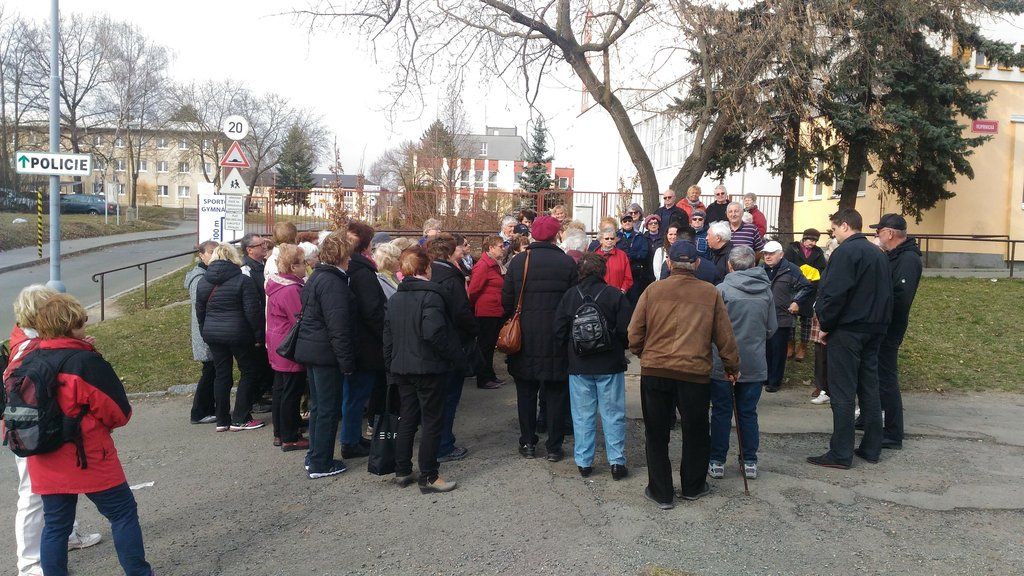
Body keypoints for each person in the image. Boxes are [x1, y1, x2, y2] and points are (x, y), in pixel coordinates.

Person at [25, 293, 152, 576]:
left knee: (56, 525)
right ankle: (139, 573)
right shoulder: (85, 363)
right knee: (122, 513)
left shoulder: (29, 360)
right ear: (69, 326)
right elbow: (119, 413)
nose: (85, 327)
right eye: (81, 323)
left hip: (43, 454)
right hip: (88, 454)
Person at [628, 240, 740, 510]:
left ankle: (661, 491)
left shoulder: (653, 290)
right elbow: (724, 335)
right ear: (697, 264)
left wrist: (644, 353)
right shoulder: (710, 293)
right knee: (696, 431)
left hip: (656, 370)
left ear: (669, 263)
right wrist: (731, 366)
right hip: (694, 373)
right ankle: (693, 486)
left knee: (656, 432)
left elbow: (634, 333)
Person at [7, 286, 102, 576]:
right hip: (32, 429)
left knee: (62, 485)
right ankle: (29, 563)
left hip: (50, 425)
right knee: (33, 494)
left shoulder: (37, 339)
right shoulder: (28, 346)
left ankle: (67, 536)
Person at [807, 209, 893, 469]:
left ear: (845, 226)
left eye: (833, 229)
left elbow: (834, 293)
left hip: (849, 329)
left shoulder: (846, 252)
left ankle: (841, 452)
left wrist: (825, 324)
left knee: (842, 391)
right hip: (874, 327)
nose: (832, 233)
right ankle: (871, 447)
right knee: (869, 387)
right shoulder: (877, 253)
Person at [384, 246, 464, 493]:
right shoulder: (432, 296)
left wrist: (390, 364)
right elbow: (435, 333)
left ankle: (402, 469)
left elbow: (387, 336)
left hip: (403, 366)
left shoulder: (396, 298)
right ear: (426, 268)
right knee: (431, 421)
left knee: (408, 417)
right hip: (427, 367)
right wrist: (454, 358)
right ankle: (429, 475)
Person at [503, 215, 578, 461]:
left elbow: (507, 301)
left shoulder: (518, 262)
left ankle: (528, 442)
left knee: (525, 393)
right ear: (557, 235)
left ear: (533, 234)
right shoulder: (567, 263)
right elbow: (573, 303)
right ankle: (554, 447)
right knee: (556, 393)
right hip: (557, 338)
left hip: (525, 337)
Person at [553, 253, 633, 480]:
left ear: (580, 272)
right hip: (609, 363)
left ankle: (584, 462)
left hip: (579, 365)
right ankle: (616, 462)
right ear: (603, 272)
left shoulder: (570, 296)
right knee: (613, 413)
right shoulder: (614, 295)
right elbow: (626, 330)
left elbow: (558, 330)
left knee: (582, 414)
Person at [708, 246, 776, 480]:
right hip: (754, 362)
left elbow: (711, 328)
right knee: (748, 412)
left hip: (723, 361)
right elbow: (771, 328)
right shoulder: (766, 290)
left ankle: (717, 460)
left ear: (729, 265)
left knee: (721, 412)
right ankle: (749, 460)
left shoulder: (721, 290)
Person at [293, 232, 357, 479]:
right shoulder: (333, 283)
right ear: (342, 255)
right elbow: (338, 326)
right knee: (328, 408)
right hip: (325, 353)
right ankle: (321, 462)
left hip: (313, 348)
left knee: (319, 406)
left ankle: (315, 455)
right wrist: (347, 362)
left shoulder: (318, 276)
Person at [195, 243, 266, 432]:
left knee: (222, 375)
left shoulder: (204, 281)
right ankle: (240, 417)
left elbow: (200, 311)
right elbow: (253, 311)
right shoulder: (243, 280)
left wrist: (205, 331)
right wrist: (259, 335)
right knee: (248, 371)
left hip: (213, 334)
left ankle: (222, 419)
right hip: (239, 333)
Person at [869, 213, 923, 450]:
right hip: (882, 324)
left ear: (889, 233)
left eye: (879, 231)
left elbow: (900, 298)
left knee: (887, 377)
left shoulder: (908, 259)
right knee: (877, 375)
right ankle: (870, 419)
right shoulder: (895, 255)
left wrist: (880, 317)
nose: (876, 236)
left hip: (889, 327)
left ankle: (892, 432)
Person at [427, 233, 479, 463]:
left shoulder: (429, 272)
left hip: (433, 343)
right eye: (458, 249)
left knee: (435, 398)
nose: (462, 252)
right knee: (448, 397)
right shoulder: (451, 277)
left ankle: (437, 441)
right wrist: (475, 329)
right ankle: (444, 444)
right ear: (449, 253)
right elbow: (461, 311)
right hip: (453, 342)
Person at [340, 221, 387, 460]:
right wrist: (385, 335)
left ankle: (352, 438)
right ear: (368, 245)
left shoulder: (348, 268)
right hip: (365, 343)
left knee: (354, 395)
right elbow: (372, 310)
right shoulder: (362, 272)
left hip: (354, 340)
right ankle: (349, 441)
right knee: (357, 394)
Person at [265, 244, 309, 451]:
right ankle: (290, 436)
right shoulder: (291, 290)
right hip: (288, 346)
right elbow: (300, 319)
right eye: (303, 264)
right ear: (293, 267)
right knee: (291, 391)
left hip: (277, 343)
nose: (306, 267)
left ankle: (280, 432)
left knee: (281, 389)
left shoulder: (277, 285)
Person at [762, 240, 813, 393]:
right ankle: (764, 378)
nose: (768, 256)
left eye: (771, 253)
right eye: (765, 253)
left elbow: (806, 286)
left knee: (778, 349)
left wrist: (797, 301)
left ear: (781, 254)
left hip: (782, 316)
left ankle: (775, 381)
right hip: (763, 315)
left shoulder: (791, 269)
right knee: (764, 349)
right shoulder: (760, 269)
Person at [239, 233, 273, 411]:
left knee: (263, 364)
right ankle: (253, 401)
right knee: (254, 366)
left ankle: (260, 395)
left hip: (265, 322)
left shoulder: (262, 265)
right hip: (254, 326)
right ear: (249, 249)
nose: (265, 246)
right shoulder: (246, 270)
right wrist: (257, 331)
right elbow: (252, 304)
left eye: (265, 243)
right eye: (260, 245)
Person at [185, 240, 218, 425]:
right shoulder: (199, 278)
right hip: (204, 331)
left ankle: (209, 408)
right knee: (209, 371)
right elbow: (202, 305)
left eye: (216, 252)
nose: (213, 256)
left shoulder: (207, 274)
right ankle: (199, 411)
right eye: (210, 252)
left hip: (210, 328)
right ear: (201, 255)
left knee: (213, 371)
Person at [468, 235, 506, 390]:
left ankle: (489, 375)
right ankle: (483, 378)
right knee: (485, 346)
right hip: (486, 311)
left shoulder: (494, 264)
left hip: (494, 310)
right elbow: (473, 290)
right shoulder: (484, 265)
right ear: (491, 248)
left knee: (489, 346)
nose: (503, 249)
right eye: (500, 246)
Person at [785, 228, 828, 361]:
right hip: (793, 288)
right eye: (811, 239)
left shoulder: (818, 253)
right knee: (790, 319)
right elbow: (786, 265)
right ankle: (790, 344)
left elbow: (822, 270)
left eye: (815, 241)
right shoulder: (792, 249)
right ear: (804, 238)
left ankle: (803, 346)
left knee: (806, 320)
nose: (813, 243)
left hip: (810, 289)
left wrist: (813, 278)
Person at [617, 214, 651, 303]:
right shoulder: (616, 236)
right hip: (620, 273)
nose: (627, 222)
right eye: (625, 221)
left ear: (633, 222)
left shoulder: (640, 236)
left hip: (635, 273)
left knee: (634, 300)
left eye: (629, 220)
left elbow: (644, 253)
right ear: (621, 223)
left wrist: (631, 255)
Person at [594, 225, 634, 293]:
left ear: (615, 240)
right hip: (598, 295)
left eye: (612, 238)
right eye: (607, 238)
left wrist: (623, 290)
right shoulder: (594, 255)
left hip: (618, 295)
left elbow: (628, 277)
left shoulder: (622, 255)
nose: (610, 240)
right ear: (601, 240)